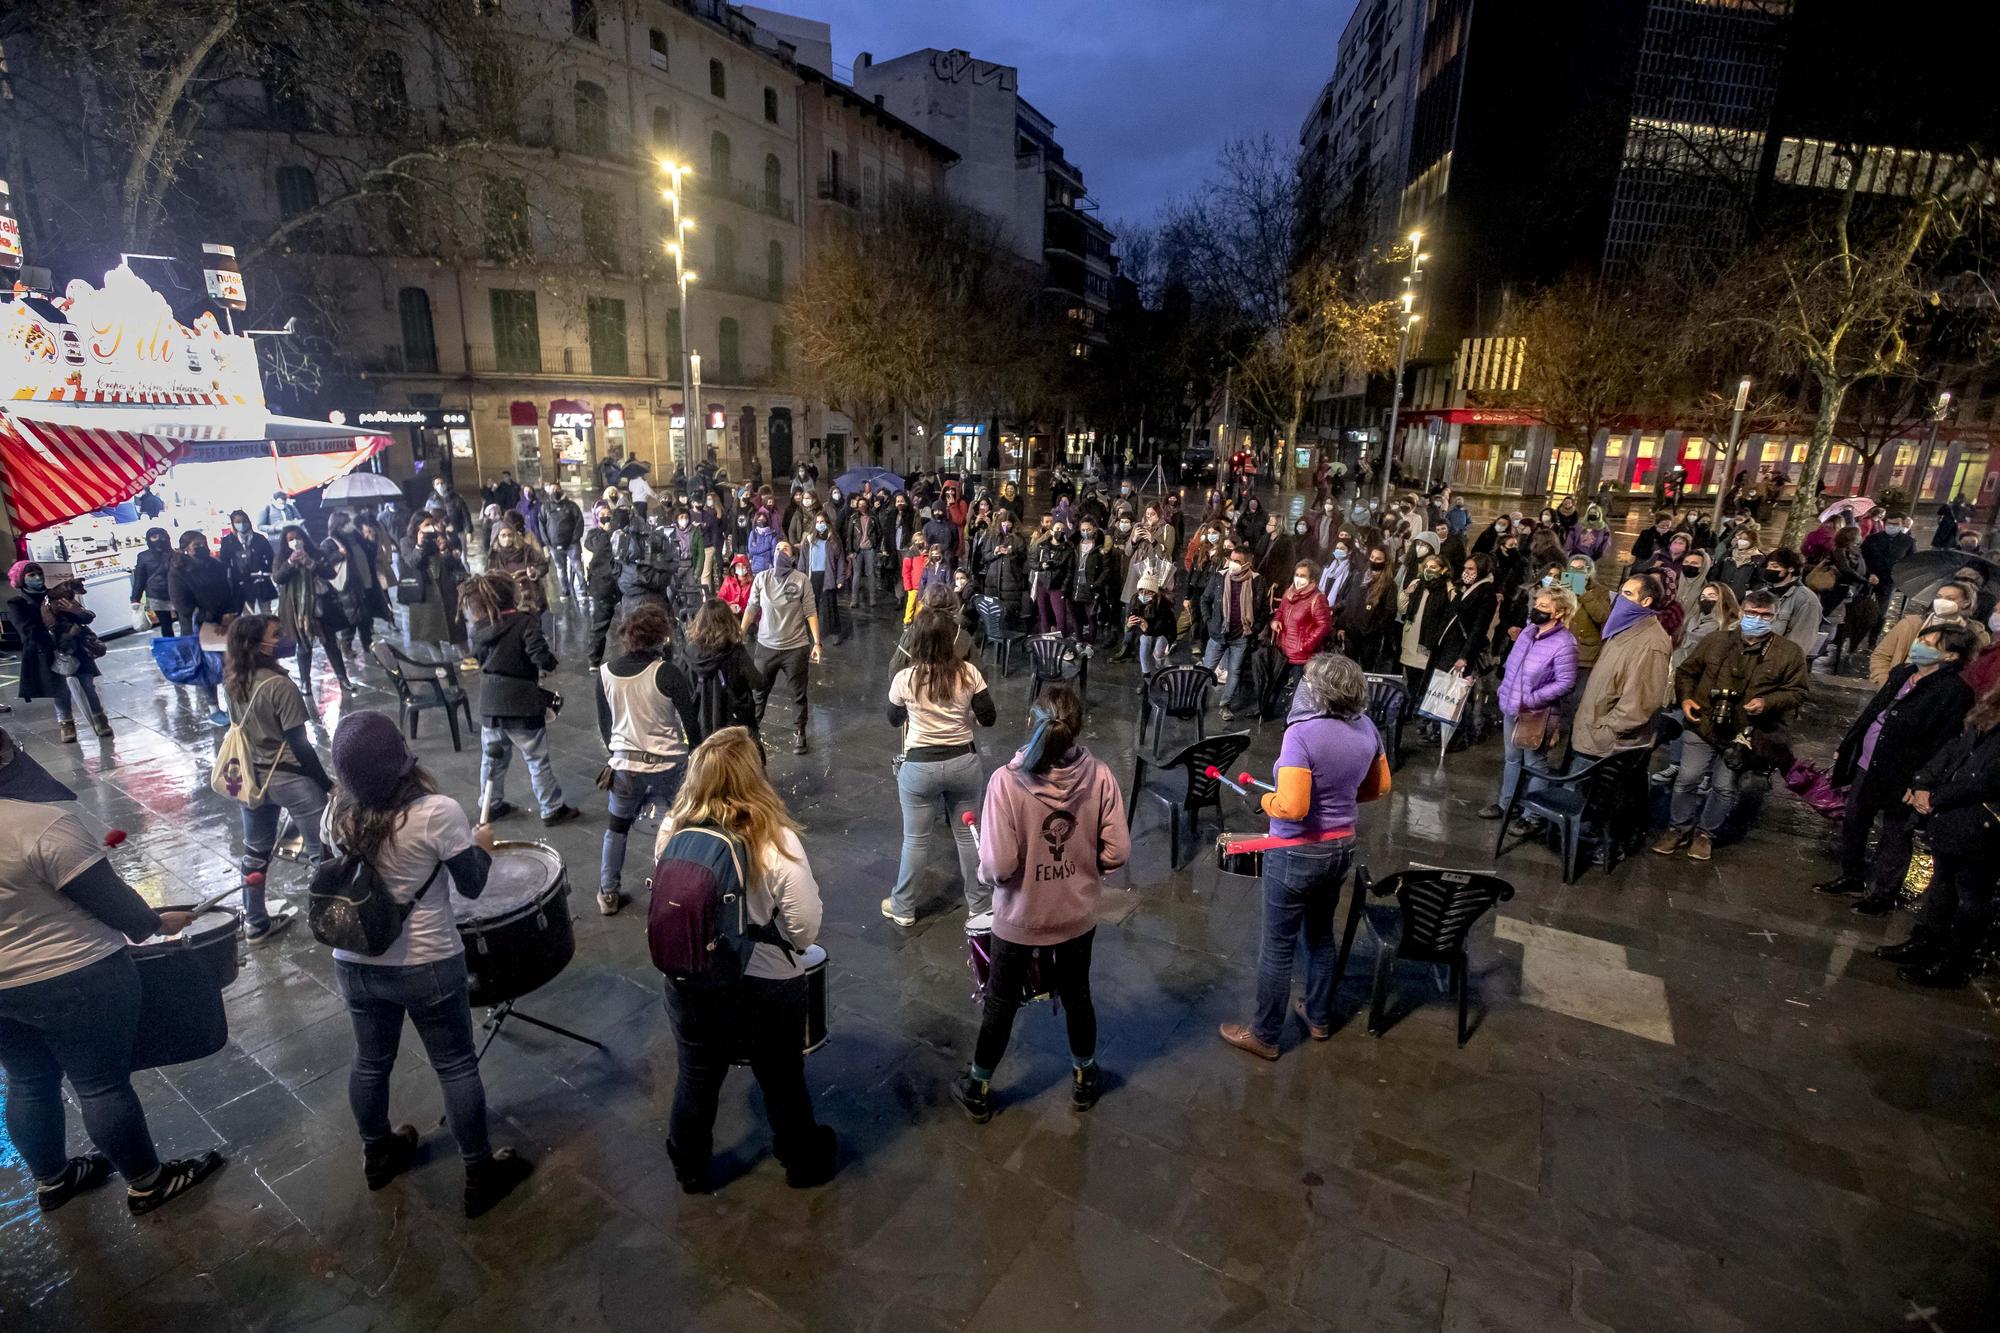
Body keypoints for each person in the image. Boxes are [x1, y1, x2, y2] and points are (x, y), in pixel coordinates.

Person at [0, 728, 225, 1214]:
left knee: (28, 1080)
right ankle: (148, 1183)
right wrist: (159, 921)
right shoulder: (40, 825)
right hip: (73, 976)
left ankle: (54, 1180)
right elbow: (125, 915)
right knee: (100, 1083)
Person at [319, 710, 534, 1217]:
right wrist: (481, 847)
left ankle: (378, 1154)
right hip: (426, 962)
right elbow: (473, 884)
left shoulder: (334, 813)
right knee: (456, 1065)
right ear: (399, 760)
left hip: (356, 961)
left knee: (370, 1062)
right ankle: (480, 1173)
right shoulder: (435, 812)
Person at [654, 727, 834, 1192]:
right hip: (766, 988)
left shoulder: (673, 827)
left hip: (690, 979)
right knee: (781, 1078)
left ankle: (689, 1168)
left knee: (696, 1076)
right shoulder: (776, 842)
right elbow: (804, 929)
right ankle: (802, 1161)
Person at [954, 687, 1128, 1119]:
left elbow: (998, 864)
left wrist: (987, 876)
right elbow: (1118, 851)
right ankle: (1085, 1078)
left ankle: (978, 1086)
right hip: (1076, 913)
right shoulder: (1101, 775)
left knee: (1001, 1001)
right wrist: (1090, 870)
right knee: (1078, 994)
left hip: (1019, 916)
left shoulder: (1005, 782)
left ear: (1033, 723)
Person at [1219, 654, 1388, 1061]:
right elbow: (1379, 787)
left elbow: (1293, 807)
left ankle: (1264, 1034)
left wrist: (1266, 799)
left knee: (1277, 945)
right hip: (1341, 846)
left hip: (1296, 852)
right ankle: (1318, 1016)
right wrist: (1340, 799)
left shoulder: (1302, 734)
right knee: (1320, 935)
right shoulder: (1367, 726)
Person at [1816, 623, 1976, 912]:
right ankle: (1851, 875)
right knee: (1854, 819)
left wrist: (1920, 782)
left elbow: (1944, 742)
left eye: (1929, 642)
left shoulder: (1954, 692)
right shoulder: (1903, 673)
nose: (1920, 645)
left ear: (1950, 656)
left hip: (1903, 772)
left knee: (1895, 832)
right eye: (1921, 639)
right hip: (1869, 760)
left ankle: (1884, 892)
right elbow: (1874, 710)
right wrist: (1850, 743)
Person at [1652, 587, 1810, 861]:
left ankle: (1705, 833)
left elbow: (1797, 691)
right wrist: (1687, 699)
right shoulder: (1716, 641)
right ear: (1742, 612)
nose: (1757, 619)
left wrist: (1767, 702)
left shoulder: (1788, 653)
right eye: (1751, 613)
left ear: (1774, 617)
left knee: (1724, 787)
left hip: (1743, 733)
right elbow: (1687, 671)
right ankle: (1678, 827)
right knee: (1687, 779)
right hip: (1703, 723)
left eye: (1764, 615)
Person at [1877, 683, 2000, 986]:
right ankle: (1927, 942)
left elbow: (1985, 779)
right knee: (1941, 886)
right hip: (1954, 818)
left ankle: (1953, 963)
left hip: (1983, 823)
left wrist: (1936, 797)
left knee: (1970, 898)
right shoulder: (1989, 709)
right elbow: (1954, 749)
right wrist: (1924, 782)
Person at [881, 614, 997, 928]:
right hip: (963, 765)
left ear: (917, 642)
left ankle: (904, 907)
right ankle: (980, 906)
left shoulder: (905, 679)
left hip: (920, 769)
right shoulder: (969, 673)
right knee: (967, 836)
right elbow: (989, 718)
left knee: (915, 840)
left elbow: (893, 719)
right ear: (949, 641)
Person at [221, 615, 332, 941]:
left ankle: (254, 922)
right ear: (258, 644)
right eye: (275, 634)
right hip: (291, 779)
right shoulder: (279, 686)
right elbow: (300, 744)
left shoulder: (232, 681)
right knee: (320, 853)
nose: (283, 638)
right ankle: (330, 921)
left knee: (254, 853)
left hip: (251, 779)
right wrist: (327, 785)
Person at [597, 602, 698, 916]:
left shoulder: (604, 674)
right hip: (668, 763)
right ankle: (677, 884)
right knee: (680, 826)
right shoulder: (666, 673)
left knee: (617, 828)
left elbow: (606, 726)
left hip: (624, 765)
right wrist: (695, 754)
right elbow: (691, 724)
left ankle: (608, 892)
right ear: (661, 638)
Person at [463, 574, 580, 828]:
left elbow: (480, 658)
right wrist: (549, 662)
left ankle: (490, 804)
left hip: (490, 703)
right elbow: (538, 654)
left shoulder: (479, 629)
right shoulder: (524, 622)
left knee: (492, 758)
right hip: (521, 703)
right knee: (536, 758)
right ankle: (551, 808)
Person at [1570, 574, 1674, 854]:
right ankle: (1585, 838)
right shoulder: (1625, 630)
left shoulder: (1650, 642)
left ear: (1646, 601)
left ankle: (1603, 845)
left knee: (1605, 797)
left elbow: (1641, 702)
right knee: (1589, 797)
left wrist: (1607, 730)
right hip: (1594, 730)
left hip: (1610, 742)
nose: (1619, 599)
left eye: (1628, 594)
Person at [1483, 584, 1579, 819]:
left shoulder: (1565, 643)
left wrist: (1534, 698)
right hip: (1511, 706)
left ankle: (1531, 816)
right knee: (1512, 759)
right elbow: (1514, 666)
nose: (1537, 609)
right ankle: (1506, 804)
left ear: (1559, 612)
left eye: (1544, 606)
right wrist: (1505, 690)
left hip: (1537, 712)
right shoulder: (1528, 632)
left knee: (1535, 763)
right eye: (1537, 604)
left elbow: (1566, 682)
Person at [7, 563, 109, 742]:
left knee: (88, 685)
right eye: (31, 574)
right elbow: (27, 631)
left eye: (39, 573)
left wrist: (75, 611)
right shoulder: (18, 603)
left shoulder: (56, 594)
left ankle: (100, 719)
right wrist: (53, 627)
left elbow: (85, 617)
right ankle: (66, 724)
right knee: (60, 690)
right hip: (47, 653)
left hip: (75, 647)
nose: (38, 577)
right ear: (21, 578)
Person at [742, 540, 822, 755]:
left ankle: (799, 732)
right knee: (759, 692)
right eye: (777, 549)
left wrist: (817, 642)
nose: (780, 552)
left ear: (793, 556)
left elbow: (810, 611)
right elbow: (751, 608)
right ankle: (752, 732)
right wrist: (739, 633)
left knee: (798, 693)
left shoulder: (801, 580)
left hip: (795, 647)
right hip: (766, 646)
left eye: (785, 549)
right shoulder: (762, 578)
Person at [167, 530, 240, 725]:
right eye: (196, 545)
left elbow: (229, 590)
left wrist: (230, 613)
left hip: (225, 622)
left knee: (230, 664)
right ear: (185, 549)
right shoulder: (178, 572)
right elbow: (183, 606)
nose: (202, 548)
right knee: (207, 667)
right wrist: (213, 616)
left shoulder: (216, 566)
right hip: (200, 627)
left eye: (203, 544)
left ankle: (235, 704)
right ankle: (213, 707)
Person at [274, 524, 354, 694]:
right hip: (298, 610)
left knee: (330, 643)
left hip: (321, 605)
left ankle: (343, 678)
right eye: (291, 540)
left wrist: (311, 563)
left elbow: (330, 574)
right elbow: (278, 577)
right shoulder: (282, 557)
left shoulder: (316, 553)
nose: (295, 542)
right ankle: (305, 682)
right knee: (304, 646)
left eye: (298, 538)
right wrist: (290, 562)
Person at [683, 597, 764, 749]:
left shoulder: (689, 652)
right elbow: (757, 682)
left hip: (701, 725)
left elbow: (683, 687)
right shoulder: (735, 651)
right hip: (733, 725)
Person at [1871, 580, 1986, 685]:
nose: (1942, 602)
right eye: (1939, 597)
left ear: (1966, 603)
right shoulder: (1911, 624)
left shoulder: (1974, 635)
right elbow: (1881, 655)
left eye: (1950, 599)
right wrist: (1886, 683)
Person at [1199, 543, 1261, 712]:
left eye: (1237, 561)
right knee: (1206, 670)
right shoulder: (1220, 577)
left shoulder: (1256, 580)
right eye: (1231, 559)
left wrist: (1254, 629)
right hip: (1218, 633)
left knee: (1234, 672)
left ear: (1247, 563)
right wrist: (1209, 622)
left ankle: (1225, 704)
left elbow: (1262, 609)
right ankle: (1197, 700)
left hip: (1240, 637)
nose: (1232, 563)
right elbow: (1205, 599)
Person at [402, 514, 470, 666]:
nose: (430, 527)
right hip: (424, 593)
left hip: (445, 588)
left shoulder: (439, 537)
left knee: (456, 625)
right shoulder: (407, 542)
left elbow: (454, 563)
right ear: (417, 526)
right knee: (429, 631)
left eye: (432, 523)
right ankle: (440, 664)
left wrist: (444, 551)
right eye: (426, 524)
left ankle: (466, 657)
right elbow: (412, 562)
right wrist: (419, 545)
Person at [1271, 560, 1333, 716]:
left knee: (1300, 693)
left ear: (1312, 579)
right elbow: (1281, 611)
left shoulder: (1317, 599)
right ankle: (1268, 710)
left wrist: (1305, 646)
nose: (1298, 579)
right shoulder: (1289, 592)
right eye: (1296, 575)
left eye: (1303, 576)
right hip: (1284, 650)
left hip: (1302, 656)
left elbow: (1324, 626)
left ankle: (1293, 720)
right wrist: (1276, 621)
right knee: (1275, 684)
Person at [1759, 548, 1823, 660]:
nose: (1769, 570)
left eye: (1775, 567)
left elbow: (1802, 638)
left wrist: (1784, 662)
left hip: (1777, 659)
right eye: (1768, 566)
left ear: (1791, 568)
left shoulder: (1806, 600)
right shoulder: (1762, 593)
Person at [219, 511, 277, 614]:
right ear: (233, 523)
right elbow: (224, 562)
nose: (242, 524)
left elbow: (270, 556)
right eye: (238, 522)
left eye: (244, 521)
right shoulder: (228, 541)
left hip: (261, 580)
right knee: (248, 615)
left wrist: (269, 571)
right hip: (242, 583)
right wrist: (233, 578)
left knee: (267, 613)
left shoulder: (259, 538)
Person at [129, 527, 177, 637]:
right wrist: (135, 599)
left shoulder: (175, 554)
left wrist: (135, 599)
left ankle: (177, 648)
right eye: (154, 537)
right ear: (148, 539)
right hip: (158, 596)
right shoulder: (143, 556)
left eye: (162, 536)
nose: (159, 540)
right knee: (166, 625)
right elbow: (140, 579)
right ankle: (174, 648)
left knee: (181, 623)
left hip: (173, 594)